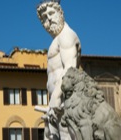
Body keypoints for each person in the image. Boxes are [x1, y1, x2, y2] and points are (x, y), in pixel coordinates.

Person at [37, 1, 81, 140]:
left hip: (65, 102)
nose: (48, 19)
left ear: (60, 13)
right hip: (56, 105)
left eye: (51, 13)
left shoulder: (66, 35)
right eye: (44, 17)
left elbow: (69, 68)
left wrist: (55, 98)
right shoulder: (56, 41)